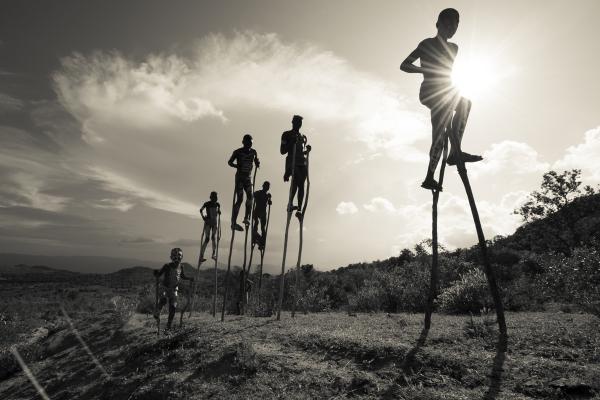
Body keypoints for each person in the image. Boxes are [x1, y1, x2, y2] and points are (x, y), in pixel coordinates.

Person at [400, 8, 482, 191]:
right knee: (438, 133)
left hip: (448, 92)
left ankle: (454, 153)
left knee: (465, 104)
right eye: (450, 23)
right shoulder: (426, 44)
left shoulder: (454, 48)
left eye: (456, 24)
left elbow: (446, 72)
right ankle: (433, 173)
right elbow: (404, 65)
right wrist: (426, 70)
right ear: (439, 24)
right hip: (431, 92)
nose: (453, 27)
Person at [153, 248, 193, 332]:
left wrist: (189, 278)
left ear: (182, 257)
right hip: (165, 287)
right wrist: (156, 273)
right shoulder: (167, 266)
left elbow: (182, 276)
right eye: (175, 256)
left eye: (179, 256)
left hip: (174, 289)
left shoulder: (181, 266)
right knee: (163, 299)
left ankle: (168, 327)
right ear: (171, 257)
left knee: (173, 307)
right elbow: (159, 274)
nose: (177, 258)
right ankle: (158, 311)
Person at [280, 115, 311, 219]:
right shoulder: (287, 134)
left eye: (300, 122)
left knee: (301, 184)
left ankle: (299, 209)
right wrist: (291, 143)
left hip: (302, 162)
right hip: (292, 162)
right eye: (296, 122)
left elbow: (301, 151)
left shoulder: (303, 137)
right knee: (298, 180)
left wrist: (307, 151)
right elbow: (282, 151)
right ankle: (290, 203)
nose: (298, 124)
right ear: (292, 122)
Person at [228, 134, 260, 231]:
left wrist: (257, 163)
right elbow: (229, 162)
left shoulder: (254, 152)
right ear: (243, 142)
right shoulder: (238, 152)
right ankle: (233, 222)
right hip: (240, 178)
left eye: (250, 143)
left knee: (250, 196)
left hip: (248, 178)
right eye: (247, 143)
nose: (248, 145)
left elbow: (256, 161)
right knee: (240, 198)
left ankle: (246, 217)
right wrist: (237, 166)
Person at [199, 191, 221, 262]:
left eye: (216, 197)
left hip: (214, 223)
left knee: (213, 238)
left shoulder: (218, 204)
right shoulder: (206, 204)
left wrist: (219, 212)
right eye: (214, 197)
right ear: (211, 197)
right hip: (208, 223)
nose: (215, 198)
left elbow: (218, 211)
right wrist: (203, 217)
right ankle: (201, 256)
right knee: (207, 239)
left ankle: (213, 254)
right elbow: (201, 210)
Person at [252, 181, 272, 250]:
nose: (267, 188)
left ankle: (261, 242)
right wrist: (255, 195)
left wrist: (269, 199)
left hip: (262, 212)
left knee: (263, 228)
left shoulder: (267, 195)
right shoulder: (259, 193)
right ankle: (255, 237)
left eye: (268, 187)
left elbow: (269, 203)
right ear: (263, 186)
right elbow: (253, 194)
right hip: (257, 211)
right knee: (256, 224)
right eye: (266, 186)